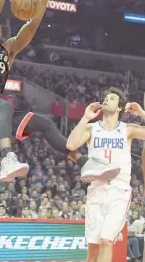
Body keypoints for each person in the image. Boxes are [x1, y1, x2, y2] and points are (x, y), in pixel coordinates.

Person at [0, 0, 117, 183]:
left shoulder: (8, 51)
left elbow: (32, 27)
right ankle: (7, 159)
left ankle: (84, 162)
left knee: (45, 123)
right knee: (4, 105)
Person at [66, 88, 145, 262]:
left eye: (111, 98)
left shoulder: (128, 129)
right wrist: (86, 117)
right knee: (93, 246)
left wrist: (142, 113)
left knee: (106, 240)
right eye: (105, 97)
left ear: (120, 107)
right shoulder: (91, 128)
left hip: (119, 190)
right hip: (96, 189)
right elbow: (71, 145)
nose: (106, 100)